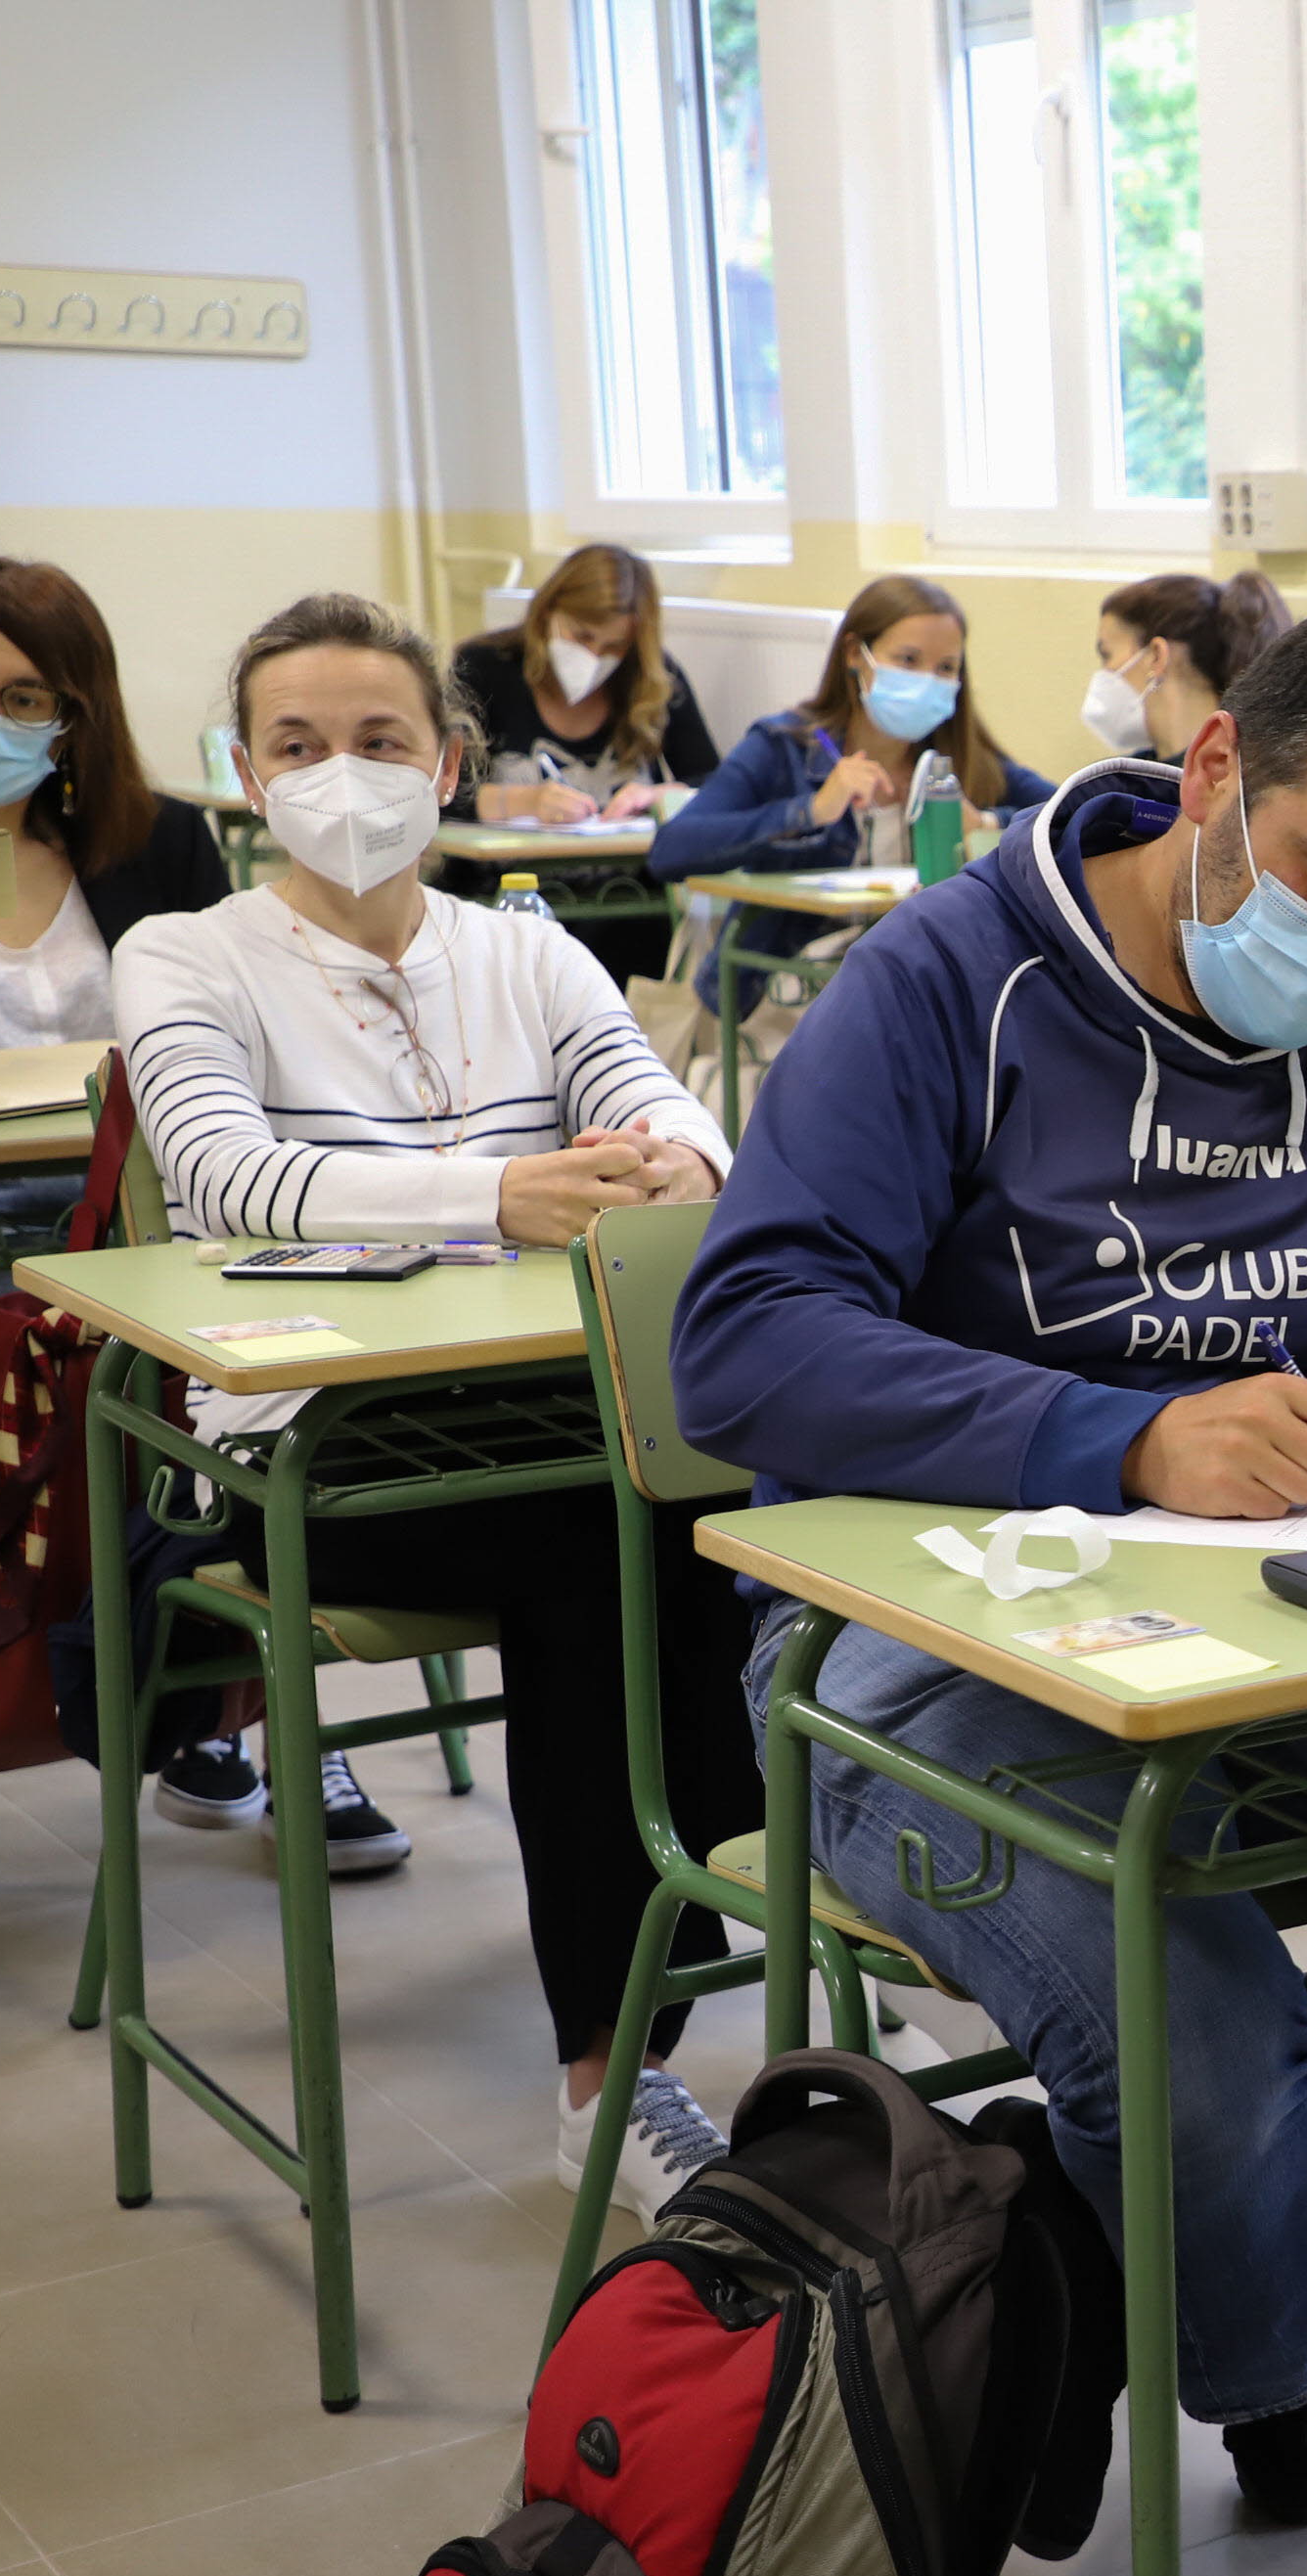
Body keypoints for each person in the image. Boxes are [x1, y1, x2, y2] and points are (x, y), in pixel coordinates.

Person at [672, 607, 1307, 2529]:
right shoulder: (952, 981)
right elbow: (743, 1338)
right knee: (1203, 2029)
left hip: (1286, 1641)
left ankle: (1073, 2231)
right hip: (910, 1656)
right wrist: (1124, 1436)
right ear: (1220, 770)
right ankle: (1271, 2349)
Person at [116, 590, 749, 2216]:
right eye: (299, 743)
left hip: (553, 1408)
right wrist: (495, 1196)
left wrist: (679, 1150)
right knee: (612, 1545)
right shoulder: (187, 953)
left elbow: (652, 1093)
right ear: (244, 774)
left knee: (736, 1504)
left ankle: (743, 1881)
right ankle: (621, 2059)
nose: (342, 771)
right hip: (313, 1451)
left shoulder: (527, 950)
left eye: (381, 740)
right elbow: (224, 1169)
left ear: (448, 760)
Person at [0, 556, 267, 1834]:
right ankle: (160, 1684)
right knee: (107, 1355)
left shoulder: (157, 845)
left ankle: (255, 1700)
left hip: (149, 1219)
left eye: (23, 696)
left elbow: (238, 1042)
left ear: (72, 719)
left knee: (266, 1348)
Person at [646, 572, 1055, 1004]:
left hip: (925, 976)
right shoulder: (783, 746)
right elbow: (672, 850)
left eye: (946, 668)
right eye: (908, 660)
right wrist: (811, 811)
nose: (926, 681)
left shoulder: (961, 759)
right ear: (855, 655)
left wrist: (988, 823)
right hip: (795, 984)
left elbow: (1070, 812)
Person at [442, 542, 724, 981]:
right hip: (505, 897)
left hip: (626, 898)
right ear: (547, 613)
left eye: (613, 646)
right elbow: (439, 791)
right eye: (581, 636)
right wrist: (524, 801)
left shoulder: (651, 677)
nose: (594, 658)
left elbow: (714, 782)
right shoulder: (484, 669)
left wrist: (653, 795)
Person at [1078, 566, 1291, 759]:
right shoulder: (1134, 777)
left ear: (1156, 656)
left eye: (1107, 655)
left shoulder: (1231, 785)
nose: (1104, 673)